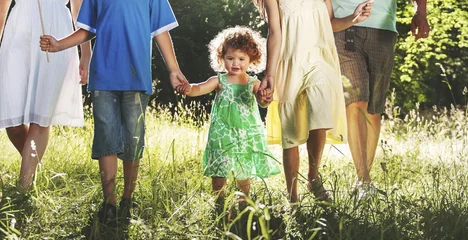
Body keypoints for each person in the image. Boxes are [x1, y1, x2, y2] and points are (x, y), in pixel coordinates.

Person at [39, 0, 188, 225]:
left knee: (133, 139)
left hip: (136, 77)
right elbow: (87, 30)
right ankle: (109, 203)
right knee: (106, 137)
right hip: (103, 77)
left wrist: (174, 69)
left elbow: (161, 31)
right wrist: (60, 44)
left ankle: (128, 200)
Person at [254, 0, 372, 203]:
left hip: (320, 60)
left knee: (320, 114)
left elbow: (330, 23)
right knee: (290, 132)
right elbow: (275, 33)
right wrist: (270, 73)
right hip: (289, 61)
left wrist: (354, 18)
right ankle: (292, 198)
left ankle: (314, 177)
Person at [175, 26, 280, 212]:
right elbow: (199, 88)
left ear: (252, 59)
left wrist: (265, 99)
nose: (235, 63)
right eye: (230, 58)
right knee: (219, 170)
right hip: (222, 133)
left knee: (243, 170)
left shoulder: (253, 83)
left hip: (246, 133)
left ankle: (244, 204)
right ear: (222, 58)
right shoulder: (219, 80)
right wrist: (187, 89)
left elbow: (262, 103)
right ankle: (218, 202)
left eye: (241, 59)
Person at [0, 0, 90, 191]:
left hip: (57, 32)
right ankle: (35, 166)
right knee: (13, 124)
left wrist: (86, 53)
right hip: (18, 36)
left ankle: (24, 191)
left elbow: (79, 10)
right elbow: (1, 7)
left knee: (41, 118)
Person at [332, 0, 430, 198]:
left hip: (383, 29)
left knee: (373, 110)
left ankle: (364, 180)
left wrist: (421, 12)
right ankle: (364, 180)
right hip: (344, 25)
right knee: (356, 101)